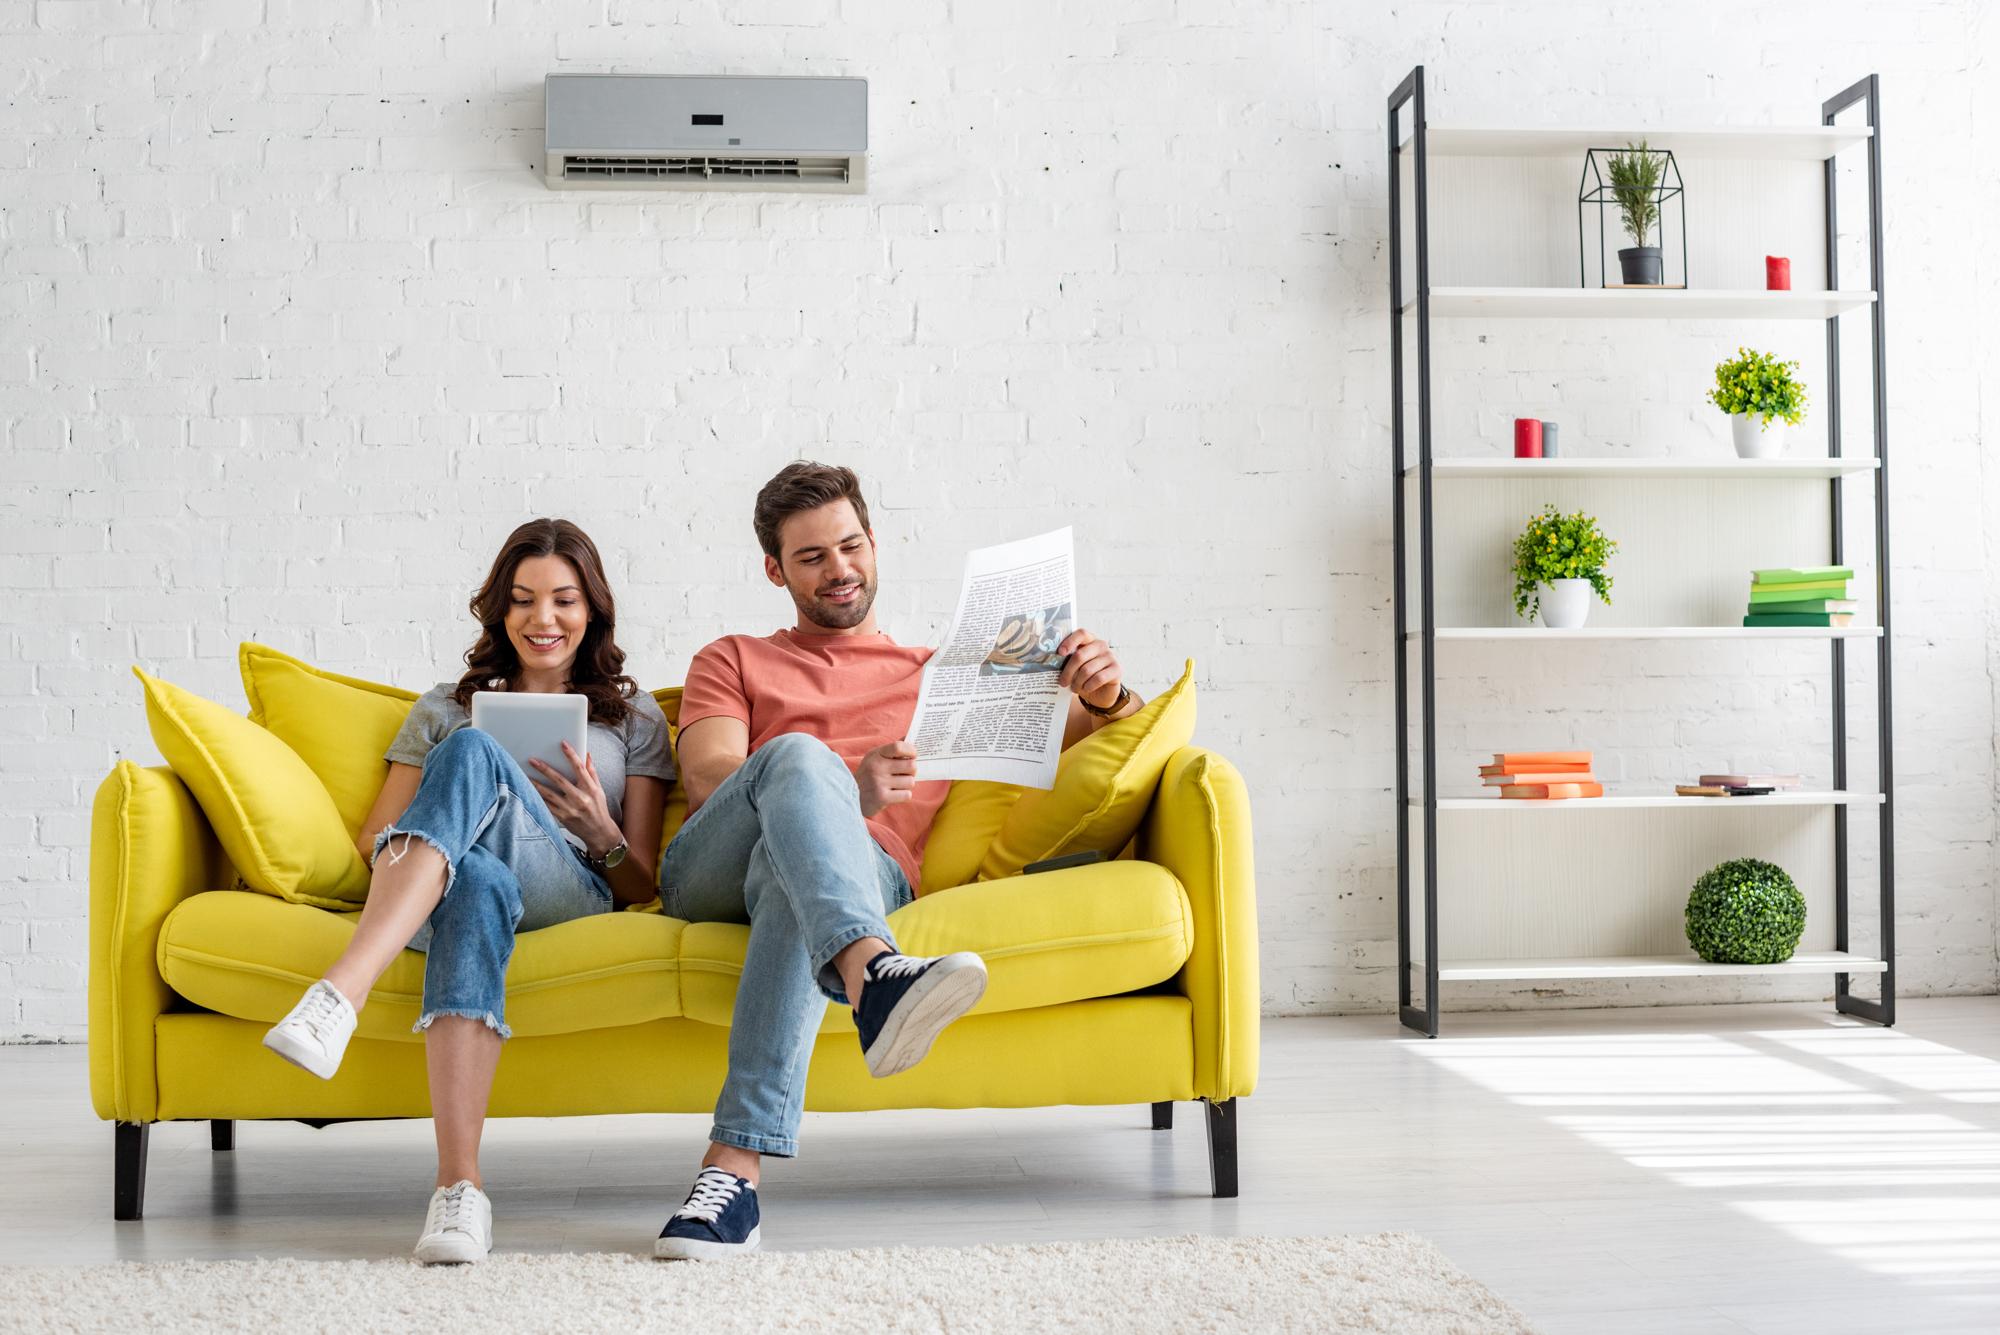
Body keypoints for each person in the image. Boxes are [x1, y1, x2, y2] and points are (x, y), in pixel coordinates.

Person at [653, 462, 1142, 1260]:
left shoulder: (945, 677)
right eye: (811, 557)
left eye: (850, 546)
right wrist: (846, 787)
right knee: (800, 760)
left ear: (874, 543)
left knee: (793, 879)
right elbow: (711, 779)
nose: (839, 569)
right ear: (776, 570)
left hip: (859, 875)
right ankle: (877, 972)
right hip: (712, 867)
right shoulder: (733, 655)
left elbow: (1104, 741)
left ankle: (731, 1177)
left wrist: (1107, 691)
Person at [259, 518, 673, 1266]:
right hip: (451, 890)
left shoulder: (635, 718)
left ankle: (341, 992)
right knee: (476, 870)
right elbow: (372, 842)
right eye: (521, 600)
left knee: (474, 749)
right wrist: (457, 837)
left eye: (563, 600)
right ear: (499, 610)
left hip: (569, 889)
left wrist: (598, 825)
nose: (541, 619)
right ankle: (460, 1191)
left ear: (593, 610)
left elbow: (642, 881)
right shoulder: (443, 706)